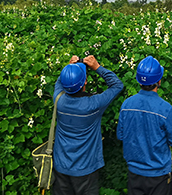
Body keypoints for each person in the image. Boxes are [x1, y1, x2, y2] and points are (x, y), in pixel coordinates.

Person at [52, 55, 124, 195]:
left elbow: (60, 82)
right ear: (85, 82)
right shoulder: (93, 105)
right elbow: (117, 85)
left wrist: (69, 68)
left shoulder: (58, 100)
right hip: (86, 168)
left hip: (61, 166)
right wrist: (97, 67)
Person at [117, 56, 172, 195]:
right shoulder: (165, 109)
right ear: (159, 81)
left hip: (134, 173)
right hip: (158, 175)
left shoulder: (127, 105)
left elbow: (121, 135)